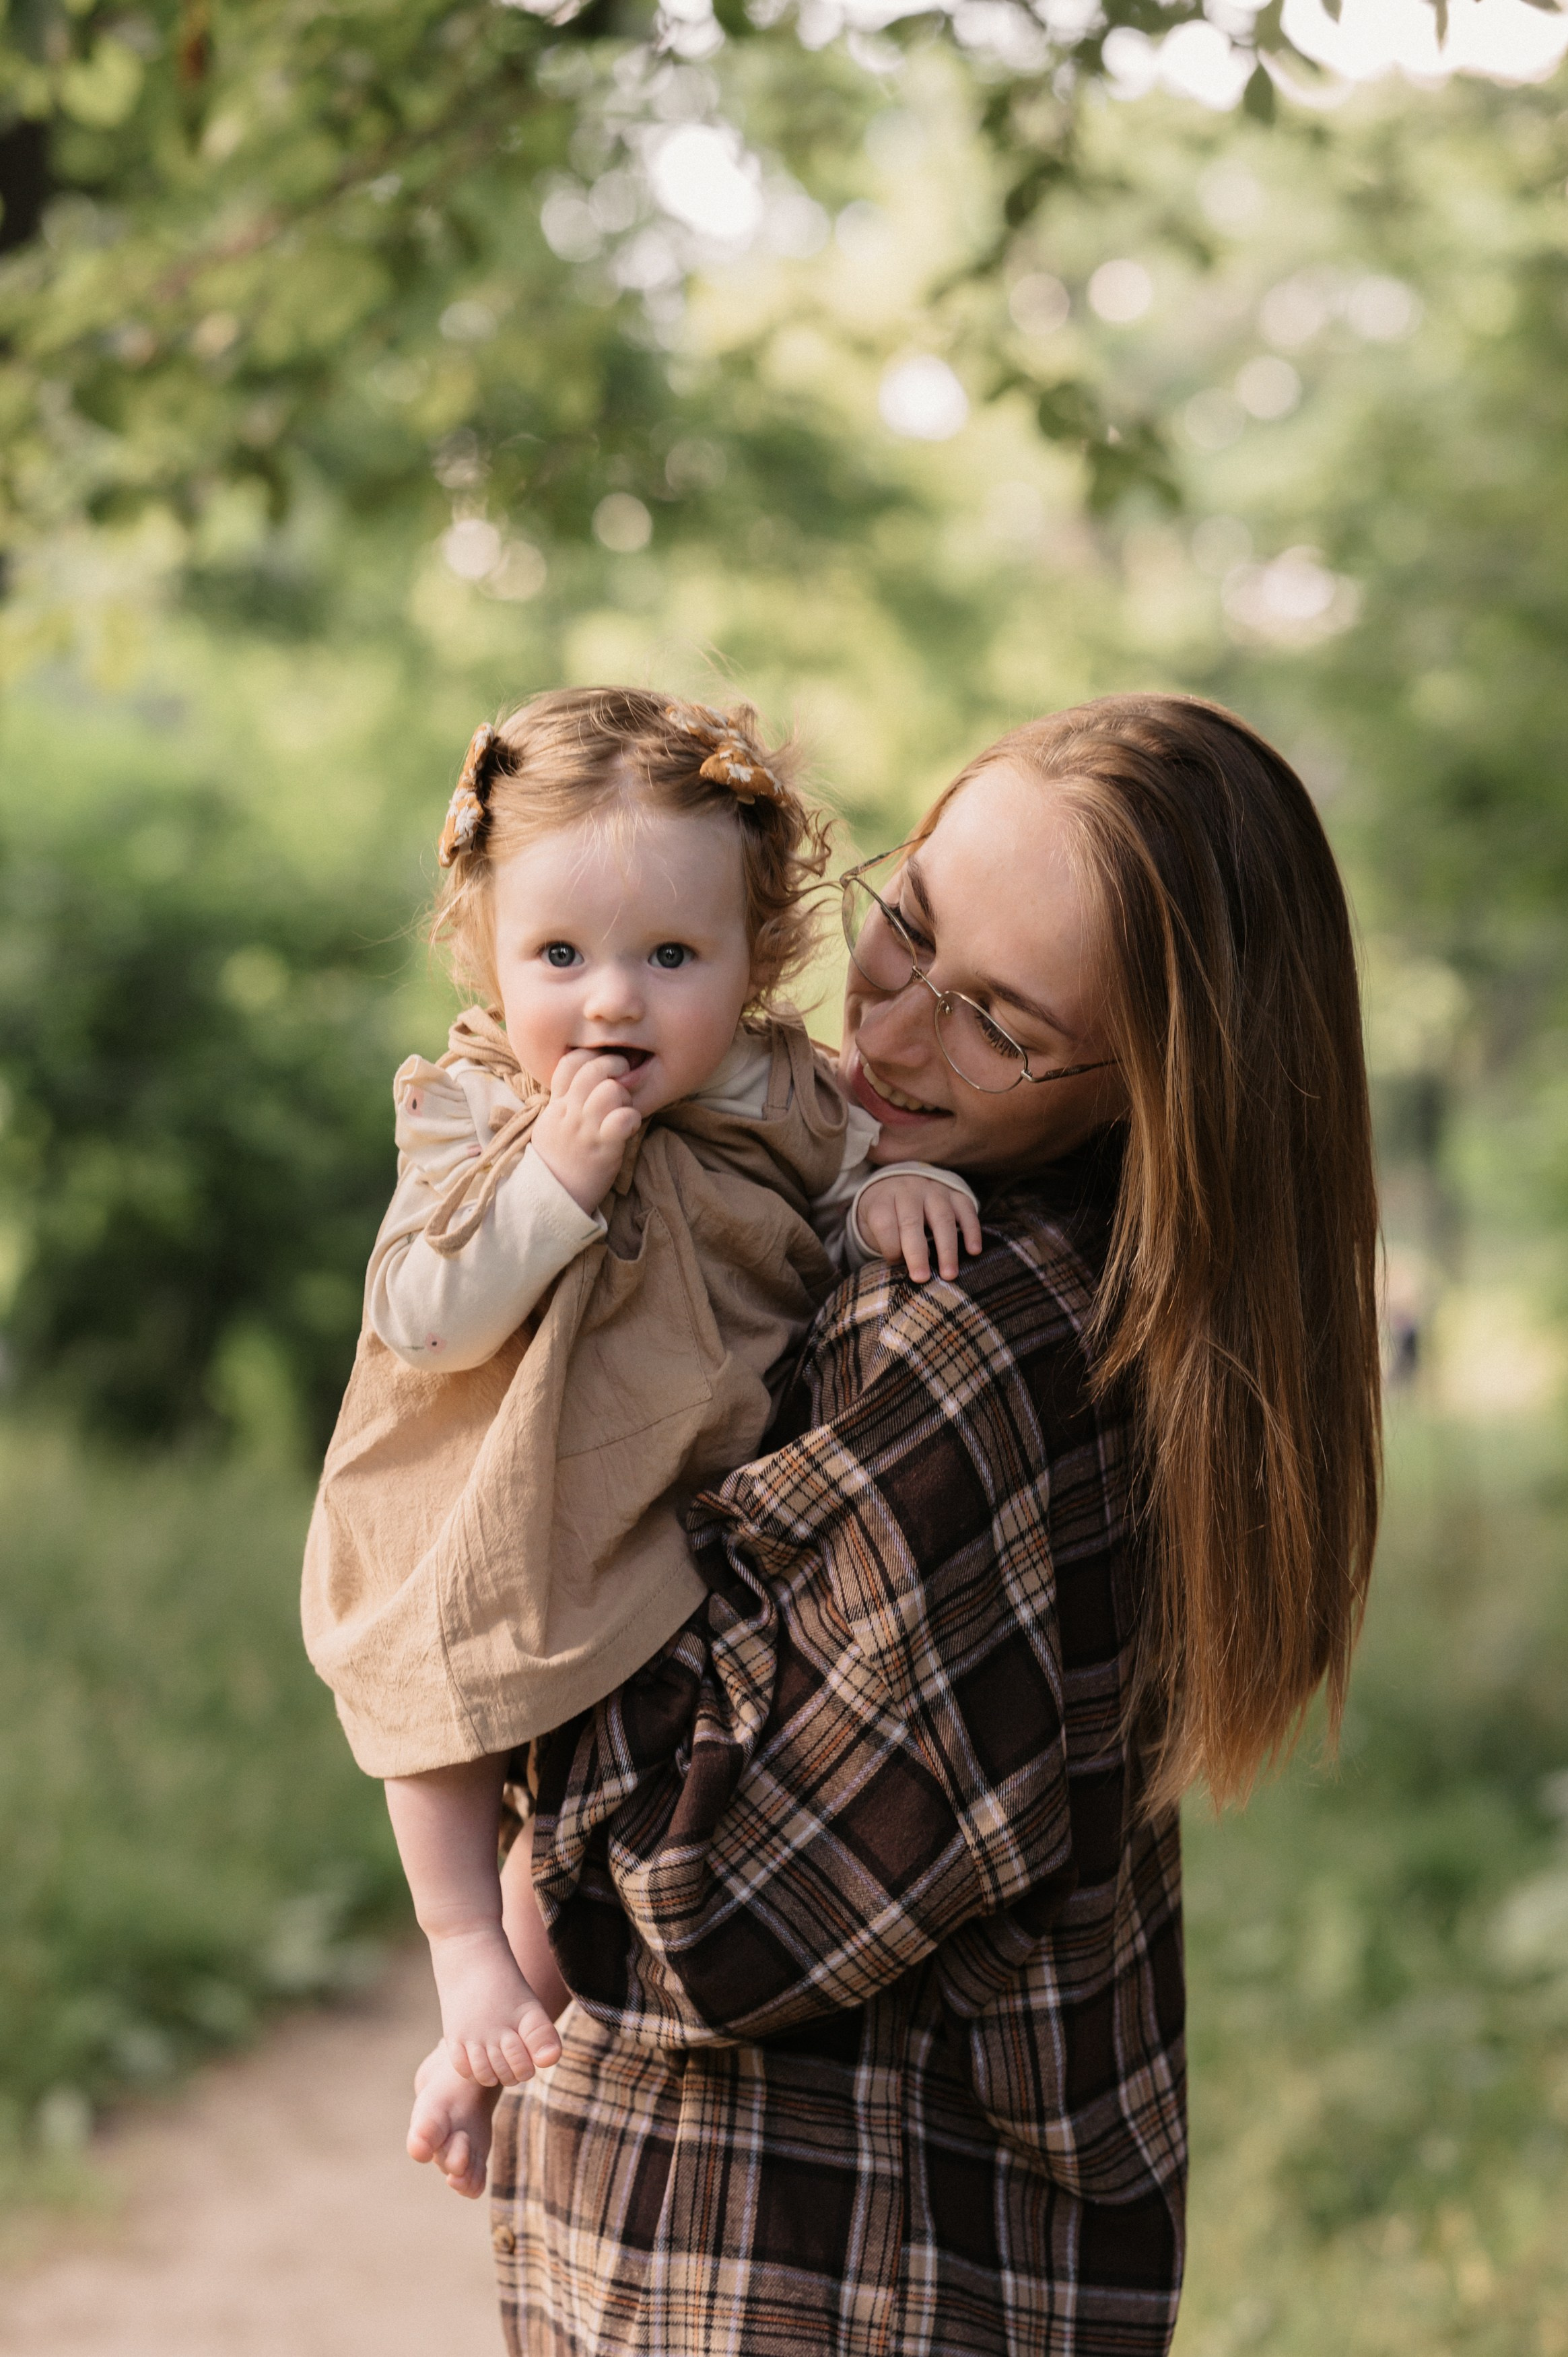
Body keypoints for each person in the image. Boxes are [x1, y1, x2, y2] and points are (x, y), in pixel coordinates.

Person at [413, 694, 1382, 2357]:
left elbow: (707, 1907)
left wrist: (510, 1799)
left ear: (1163, 1084)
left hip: (797, 2270)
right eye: (907, 924)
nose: (900, 1030)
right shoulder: (1086, 1289)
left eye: (1000, 1019)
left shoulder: (957, 1338)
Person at [301, 687, 980, 2129]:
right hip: (496, 1487)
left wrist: (904, 1187)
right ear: (488, 948)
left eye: (670, 954)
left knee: (601, 1800)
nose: (611, 998)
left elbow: (847, 1184)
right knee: (442, 1705)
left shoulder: (784, 1093)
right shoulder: (479, 1106)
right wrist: (559, 1179)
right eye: (559, 954)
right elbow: (421, 1310)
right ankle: (462, 1956)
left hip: (669, 1509)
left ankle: (503, 2019)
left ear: (756, 959)